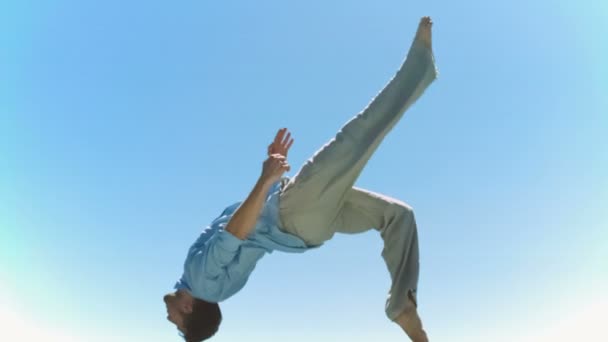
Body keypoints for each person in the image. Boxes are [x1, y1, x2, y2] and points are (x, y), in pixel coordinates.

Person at [163, 16, 438, 342]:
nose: (170, 319)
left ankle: (401, 305)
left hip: (310, 229)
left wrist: (273, 183)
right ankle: (420, 67)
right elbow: (235, 233)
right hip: (294, 213)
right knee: (359, 135)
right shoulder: (202, 281)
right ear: (189, 309)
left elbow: (249, 236)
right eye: (177, 324)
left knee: (398, 215)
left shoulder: (219, 289)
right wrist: (265, 179)